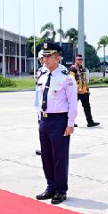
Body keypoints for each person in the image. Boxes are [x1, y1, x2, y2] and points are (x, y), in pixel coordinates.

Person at [34, 42, 78, 205]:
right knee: (46, 156)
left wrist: (70, 123)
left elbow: (72, 103)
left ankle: (61, 190)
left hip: (59, 120)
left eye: (48, 56)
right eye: (43, 56)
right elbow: (39, 100)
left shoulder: (67, 77)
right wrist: (39, 118)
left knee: (59, 157)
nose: (45, 59)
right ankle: (50, 186)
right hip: (44, 120)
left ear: (58, 58)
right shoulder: (43, 76)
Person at [69, 54, 100, 128]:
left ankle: (90, 122)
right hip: (76, 92)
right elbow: (71, 80)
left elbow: (84, 80)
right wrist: (76, 89)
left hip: (84, 91)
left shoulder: (83, 69)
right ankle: (70, 122)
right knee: (72, 107)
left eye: (81, 59)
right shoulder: (72, 69)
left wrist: (87, 89)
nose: (80, 61)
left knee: (87, 107)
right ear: (75, 60)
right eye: (78, 59)